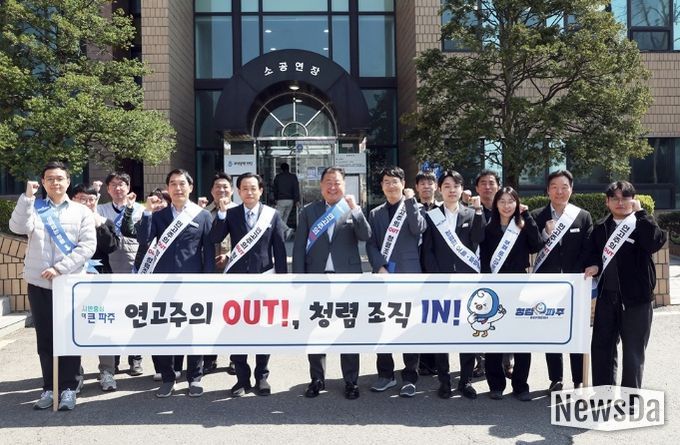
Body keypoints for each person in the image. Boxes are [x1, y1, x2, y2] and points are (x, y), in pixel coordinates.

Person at [10, 161, 96, 411]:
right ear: (43, 182)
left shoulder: (81, 212)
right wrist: (27, 198)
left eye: (59, 178)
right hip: (39, 283)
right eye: (50, 178)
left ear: (68, 182)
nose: (55, 183)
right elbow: (17, 227)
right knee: (45, 339)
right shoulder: (34, 207)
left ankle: (69, 387)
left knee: (68, 337)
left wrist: (60, 268)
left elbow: (87, 246)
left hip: (69, 284)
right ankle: (49, 387)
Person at [293, 166, 371, 400]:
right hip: (317, 279)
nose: (332, 186)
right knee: (316, 331)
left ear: (344, 185)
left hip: (346, 280)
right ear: (321, 186)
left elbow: (365, 235)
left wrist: (356, 210)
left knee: (348, 331)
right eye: (328, 182)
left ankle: (351, 381)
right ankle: (317, 379)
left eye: (337, 182)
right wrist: (299, 278)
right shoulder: (309, 211)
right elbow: (299, 247)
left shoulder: (351, 209)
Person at [137, 169, 215, 398]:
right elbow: (143, 240)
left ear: (191, 187)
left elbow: (208, 252)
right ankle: (168, 377)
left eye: (182, 184)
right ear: (168, 188)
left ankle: (195, 377)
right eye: (173, 184)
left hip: (193, 283)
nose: (178, 188)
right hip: (162, 283)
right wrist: (147, 213)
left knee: (194, 331)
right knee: (163, 331)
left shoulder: (202, 216)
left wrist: (208, 281)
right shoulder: (159, 216)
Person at [210, 172, 287, 397]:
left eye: (253, 188)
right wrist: (221, 214)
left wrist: (282, 282)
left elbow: (280, 250)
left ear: (261, 191)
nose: (249, 192)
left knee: (264, 331)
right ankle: (242, 379)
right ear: (238, 191)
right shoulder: (231, 213)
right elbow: (215, 237)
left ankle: (262, 376)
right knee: (236, 331)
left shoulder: (272, 215)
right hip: (237, 281)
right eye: (244, 188)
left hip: (265, 280)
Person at [585, 181, 666, 390]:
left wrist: (642, 214)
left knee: (633, 351)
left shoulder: (641, 223)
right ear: (607, 202)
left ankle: (630, 398)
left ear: (633, 199)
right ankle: (603, 393)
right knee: (602, 348)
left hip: (636, 299)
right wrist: (594, 265)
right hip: (606, 297)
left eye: (625, 198)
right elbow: (592, 254)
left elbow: (654, 242)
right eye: (614, 198)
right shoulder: (601, 227)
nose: (620, 202)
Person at [421, 170, 485, 399]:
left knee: (467, 333)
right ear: (440, 189)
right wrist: (437, 277)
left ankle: (465, 381)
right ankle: (444, 380)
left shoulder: (471, 213)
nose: (451, 190)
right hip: (441, 283)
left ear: (461, 189)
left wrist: (479, 211)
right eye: (447, 186)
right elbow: (427, 251)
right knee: (442, 334)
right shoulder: (432, 215)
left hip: (467, 283)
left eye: (456, 186)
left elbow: (479, 239)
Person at [365, 167, 426, 398]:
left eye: (395, 181)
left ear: (403, 183)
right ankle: (386, 374)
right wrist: (379, 265)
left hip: (409, 276)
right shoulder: (375, 213)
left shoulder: (415, 207)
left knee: (408, 327)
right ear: (382, 186)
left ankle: (410, 377)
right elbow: (371, 243)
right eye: (386, 182)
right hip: (383, 277)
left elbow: (417, 228)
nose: (391, 186)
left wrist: (410, 201)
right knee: (382, 325)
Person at [531, 170, 593, 391]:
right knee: (551, 332)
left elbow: (588, 248)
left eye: (564, 187)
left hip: (575, 284)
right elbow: (531, 246)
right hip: (547, 284)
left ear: (571, 189)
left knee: (576, 331)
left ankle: (578, 379)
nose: (559, 191)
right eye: (554, 187)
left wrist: (583, 271)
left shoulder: (582, 216)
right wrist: (545, 235)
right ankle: (556, 378)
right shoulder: (537, 216)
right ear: (548, 190)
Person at [480, 187, 543, 401]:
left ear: (517, 203)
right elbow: (484, 258)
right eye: (502, 201)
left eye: (511, 201)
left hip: (519, 285)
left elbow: (536, 245)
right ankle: (496, 384)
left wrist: (527, 216)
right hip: (495, 285)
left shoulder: (522, 225)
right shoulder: (489, 227)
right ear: (496, 204)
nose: (506, 205)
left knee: (522, 337)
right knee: (494, 335)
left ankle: (520, 385)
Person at [97, 171, 145, 377]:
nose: (118, 188)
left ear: (128, 187)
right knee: (112, 315)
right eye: (114, 185)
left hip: (133, 268)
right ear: (108, 189)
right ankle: (113, 360)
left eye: (122, 184)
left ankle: (135, 358)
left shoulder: (140, 209)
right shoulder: (100, 209)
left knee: (135, 315)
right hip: (109, 268)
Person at [72, 184, 120, 392]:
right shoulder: (64, 222)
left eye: (91, 199)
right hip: (72, 282)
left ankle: (107, 371)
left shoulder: (103, 221)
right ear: (73, 199)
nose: (87, 203)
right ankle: (74, 374)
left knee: (103, 325)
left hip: (100, 280)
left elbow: (111, 246)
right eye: (82, 198)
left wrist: (99, 224)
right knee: (72, 327)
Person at [202, 172, 238, 376]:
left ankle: (235, 359)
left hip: (233, 270)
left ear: (232, 190)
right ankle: (210, 359)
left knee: (233, 316)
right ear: (211, 191)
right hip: (209, 272)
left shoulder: (239, 211)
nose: (221, 190)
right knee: (210, 317)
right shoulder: (204, 212)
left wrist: (229, 256)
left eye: (225, 187)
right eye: (217, 186)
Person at [413, 170, 440, 375]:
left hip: (437, 270)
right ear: (416, 187)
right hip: (415, 268)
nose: (426, 186)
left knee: (435, 317)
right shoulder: (409, 208)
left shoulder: (442, 209)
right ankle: (421, 361)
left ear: (436, 186)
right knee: (418, 318)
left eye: (430, 183)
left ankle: (437, 361)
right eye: (422, 183)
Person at [272, 162, 300, 239]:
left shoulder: (278, 177)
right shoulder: (293, 177)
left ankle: (287, 230)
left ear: (281, 169)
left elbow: (275, 189)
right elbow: (296, 189)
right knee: (285, 218)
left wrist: (275, 199)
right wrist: (296, 200)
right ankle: (283, 235)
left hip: (281, 200)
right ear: (288, 168)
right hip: (290, 200)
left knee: (277, 218)